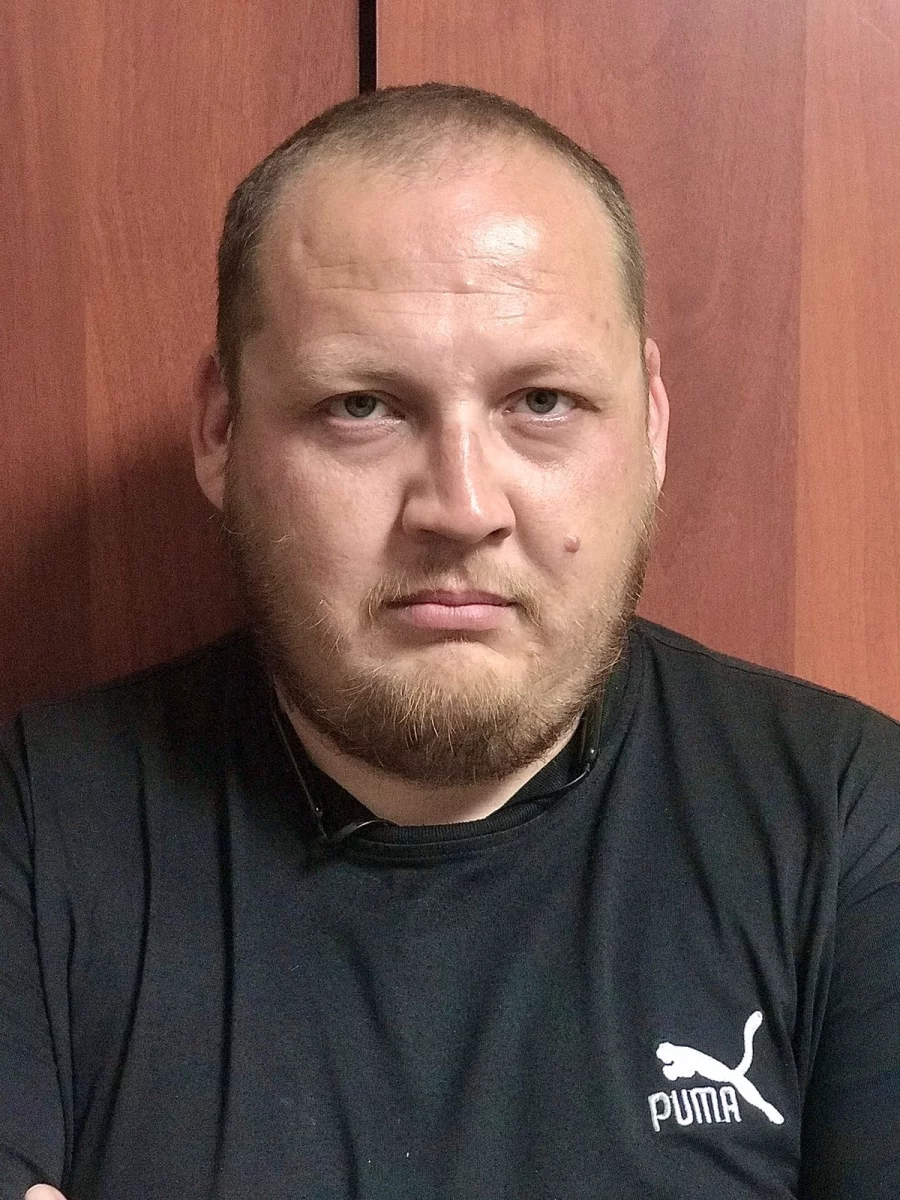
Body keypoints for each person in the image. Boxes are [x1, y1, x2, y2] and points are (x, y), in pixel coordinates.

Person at [3, 83, 899, 1200]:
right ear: (222, 429)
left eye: (543, 401)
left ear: (653, 426)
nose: (462, 506)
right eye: (363, 407)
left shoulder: (849, 825)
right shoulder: (37, 827)